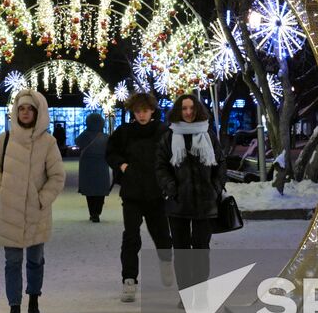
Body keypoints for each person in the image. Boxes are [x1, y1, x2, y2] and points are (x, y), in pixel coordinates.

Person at [0, 88, 65, 313]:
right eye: (21, 108)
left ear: (38, 111)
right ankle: (14, 310)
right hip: (9, 211)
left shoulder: (48, 142)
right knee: (12, 262)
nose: (26, 112)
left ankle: (34, 303)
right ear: (15, 112)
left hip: (36, 212)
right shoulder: (5, 139)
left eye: (30, 108)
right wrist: (1, 186)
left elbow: (57, 176)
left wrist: (42, 199)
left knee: (34, 261)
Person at [106, 92, 174, 302]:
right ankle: (129, 279)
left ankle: (165, 262)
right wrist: (122, 165)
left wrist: (167, 180)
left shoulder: (164, 131)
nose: (141, 115)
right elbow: (110, 152)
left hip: (157, 193)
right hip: (133, 193)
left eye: (144, 111)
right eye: (137, 111)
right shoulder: (124, 132)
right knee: (131, 236)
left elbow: (172, 156)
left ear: (152, 110)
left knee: (162, 235)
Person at [156, 92, 225, 294]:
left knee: (201, 250)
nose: (188, 112)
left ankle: (201, 290)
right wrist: (171, 188)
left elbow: (220, 164)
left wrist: (215, 188)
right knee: (183, 251)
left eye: (192, 108)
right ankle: (186, 293)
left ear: (198, 110)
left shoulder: (208, 134)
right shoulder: (169, 136)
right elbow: (161, 166)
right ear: (178, 111)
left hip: (205, 203)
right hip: (178, 203)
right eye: (184, 108)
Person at [74, 111, 111, 222]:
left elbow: (77, 142)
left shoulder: (84, 135)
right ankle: (97, 212)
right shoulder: (106, 137)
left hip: (87, 166)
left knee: (89, 190)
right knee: (100, 190)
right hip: (102, 165)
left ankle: (92, 212)